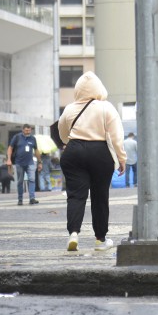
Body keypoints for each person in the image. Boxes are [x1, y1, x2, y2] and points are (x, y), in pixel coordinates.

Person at [57, 71, 125, 252]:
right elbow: (116, 135)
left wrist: (70, 143)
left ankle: (73, 234)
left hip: (74, 152)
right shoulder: (106, 107)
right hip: (99, 152)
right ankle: (100, 239)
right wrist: (121, 158)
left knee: (75, 195)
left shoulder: (70, 108)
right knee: (100, 196)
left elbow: (63, 133)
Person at [6, 124, 41, 205]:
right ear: (22, 130)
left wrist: (40, 162)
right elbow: (10, 148)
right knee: (20, 181)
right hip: (19, 163)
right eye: (26, 130)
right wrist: (8, 159)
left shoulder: (33, 138)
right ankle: (20, 199)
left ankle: (32, 198)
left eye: (29, 130)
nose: (28, 132)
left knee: (32, 179)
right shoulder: (17, 137)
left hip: (30, 163)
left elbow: (36, 150)